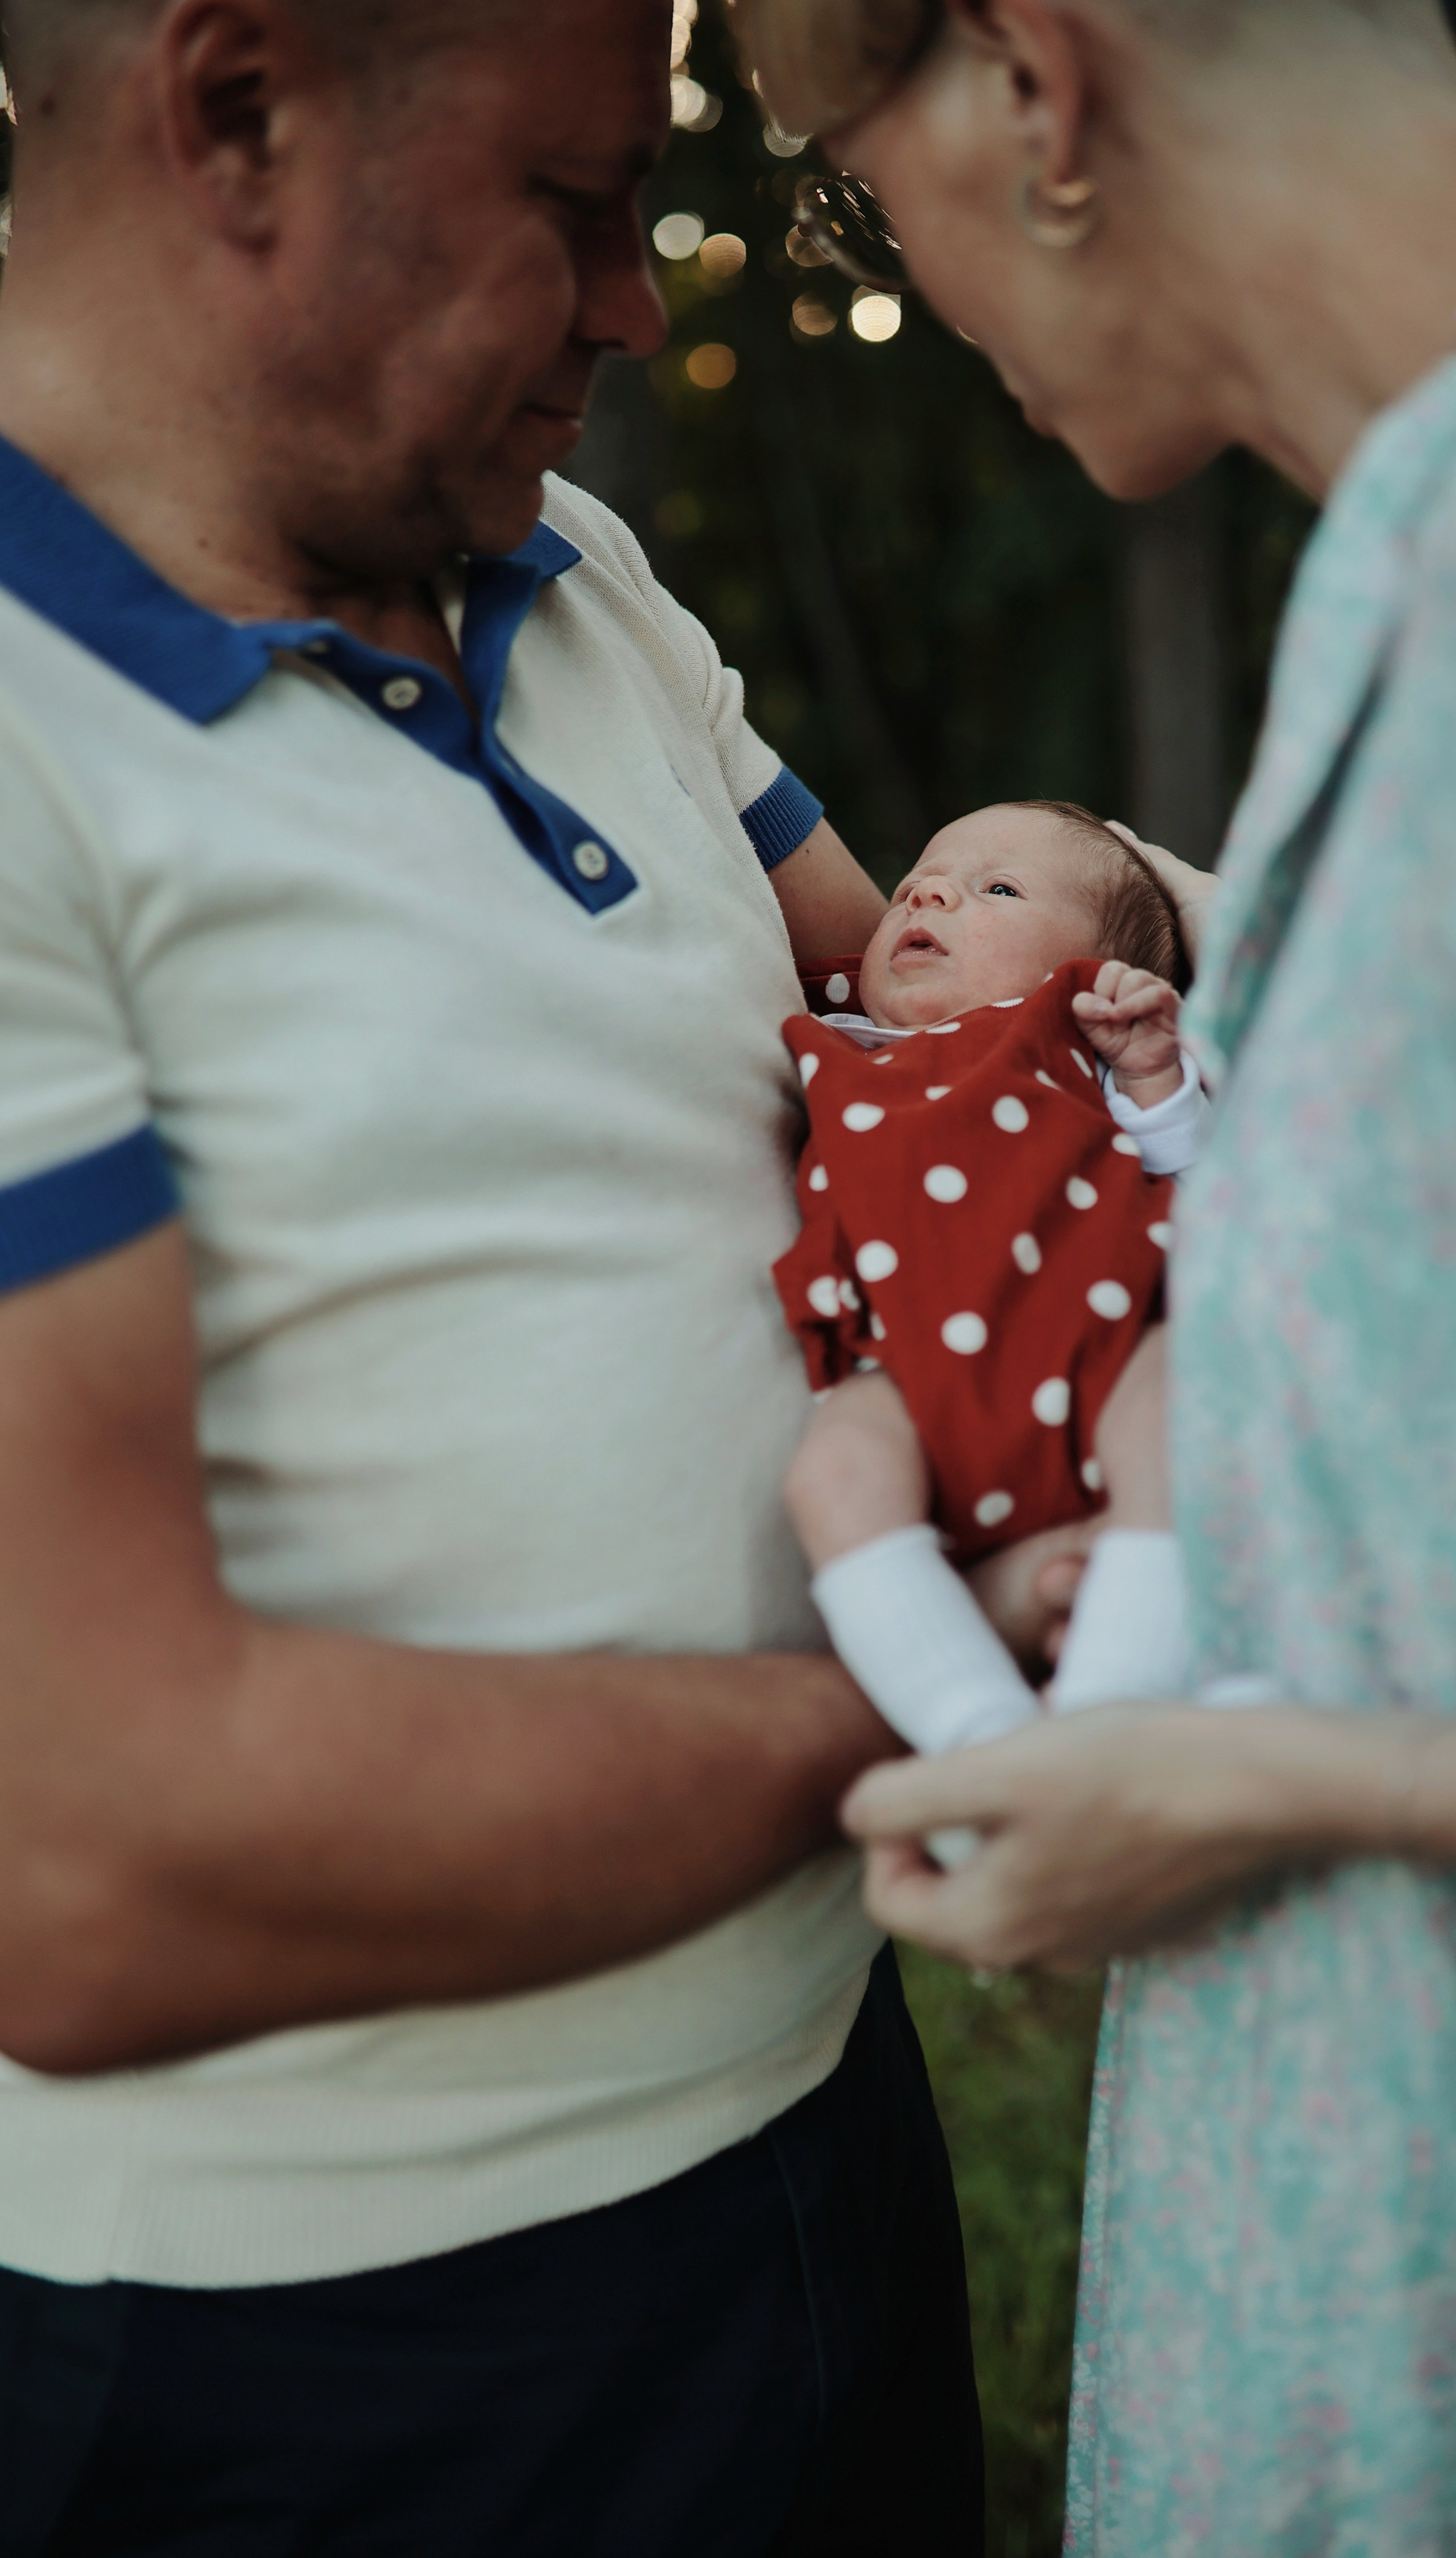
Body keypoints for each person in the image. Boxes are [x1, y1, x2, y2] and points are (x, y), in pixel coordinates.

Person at [0, 1, 984, 2549]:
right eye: (570, 202)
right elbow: (88, 1870)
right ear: (232, 113)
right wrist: (940, 1718)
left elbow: (932, 1036)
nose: (639, 305)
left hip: (823, 2136)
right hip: (334, 2353)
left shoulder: (569, 569)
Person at [735, 0, 1456, 2548]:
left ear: (1036, 88)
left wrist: (1263, 1786)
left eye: (847, 189)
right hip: (1366, 2289)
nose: (898, 274)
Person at [777, 799, 1204, 1758]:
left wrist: (1155, 1081)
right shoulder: (838, 1041)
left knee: (1189, 1417)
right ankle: (974, 1738)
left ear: (1092, 968)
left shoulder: (1088, 1039)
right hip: (906, 1373)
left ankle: (1114, 1699)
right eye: (914, 884)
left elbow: (1205, 1182)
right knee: (832, 1478)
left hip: (1111, 1342)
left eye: (997, 889)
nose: (928, 892)